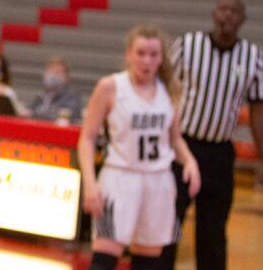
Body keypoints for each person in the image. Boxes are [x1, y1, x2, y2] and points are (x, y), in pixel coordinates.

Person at [77, 24, 201, 270]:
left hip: (158, 183)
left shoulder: (170, 91)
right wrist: (90, 184)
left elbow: (174, 137)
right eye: (141, 53)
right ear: (128, 55)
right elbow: (87, 138)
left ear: (161, 58)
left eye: (153, 54)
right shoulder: (110, 87)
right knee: (104, 259)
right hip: (120, 178)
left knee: (148, 262)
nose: (147, 60)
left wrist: (190, 161)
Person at [158, 0, 263, 270]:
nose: (228, 15)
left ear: (243, 19)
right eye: (223, 9)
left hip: (219, 153)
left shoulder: (253, 58)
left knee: (213, 230)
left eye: (235, 11)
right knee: (169, 222)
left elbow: (258, 112)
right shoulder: (187, 45)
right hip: (182, 146)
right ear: (214, 13)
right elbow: (163, 92)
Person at [29, 56, 83, 124]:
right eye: (51, 71)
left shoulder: (72, 97)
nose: (53, 75)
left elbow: (65, 117)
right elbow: (29, 112)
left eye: (58, 72)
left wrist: (37, 115)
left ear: (66, 77)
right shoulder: (41, 96)